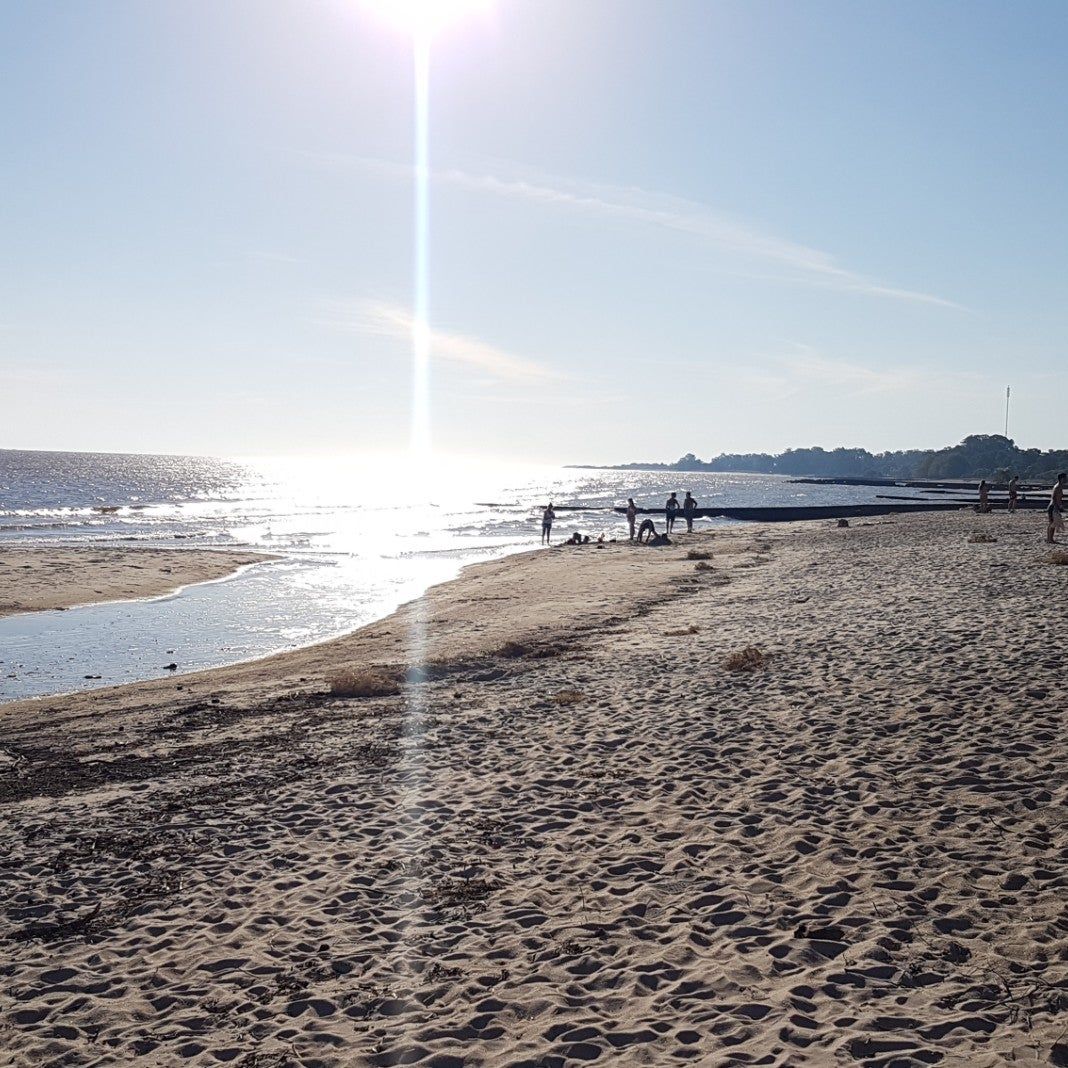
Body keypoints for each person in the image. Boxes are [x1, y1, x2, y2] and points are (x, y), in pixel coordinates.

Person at [1047, 474, 1066, 544]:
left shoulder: (1059, 486)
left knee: (1053, 523)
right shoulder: (1057, 487)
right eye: (1065, 478)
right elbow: (1054, 497)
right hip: (1053, 506)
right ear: (1062, 478)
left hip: (1054, 506)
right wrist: (1057, 506)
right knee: (1052, 523)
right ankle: (1049, 539)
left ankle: (1050, 539)